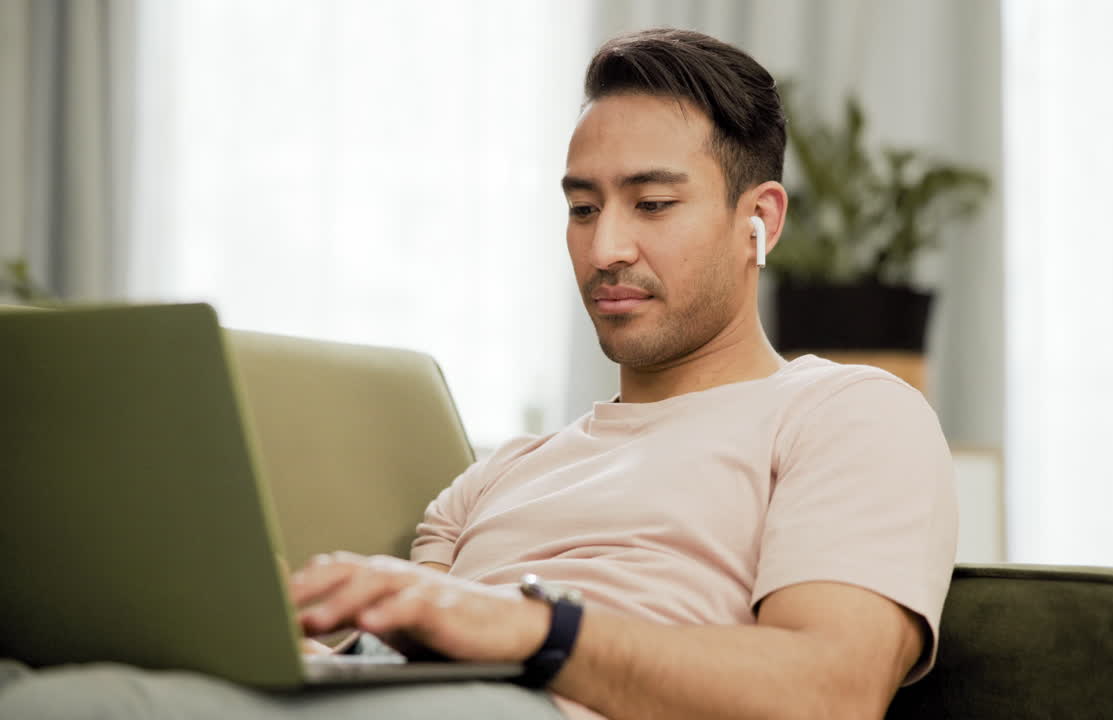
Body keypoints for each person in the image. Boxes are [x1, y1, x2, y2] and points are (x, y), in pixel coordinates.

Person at [0, 28, 955, 720]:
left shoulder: (849, 413)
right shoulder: (496, 475)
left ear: (764, 219)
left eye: (652, 203)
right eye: (582, 209)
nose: (606, 247)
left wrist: (532, 629)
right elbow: (397, 660)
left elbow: (828, 694)